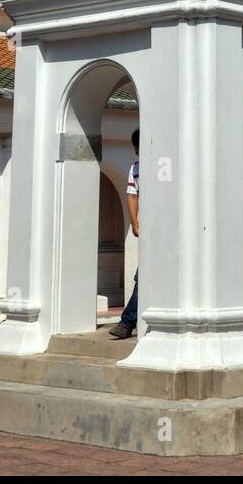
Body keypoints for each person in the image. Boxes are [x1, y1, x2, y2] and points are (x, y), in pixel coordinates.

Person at [109, 129, 140, 339]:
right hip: (155, 232)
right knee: (145, 277)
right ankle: (127, 322)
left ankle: (127, 322)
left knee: (144, 278)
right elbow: (131, 195)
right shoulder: (136, 168)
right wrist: (135, 222)